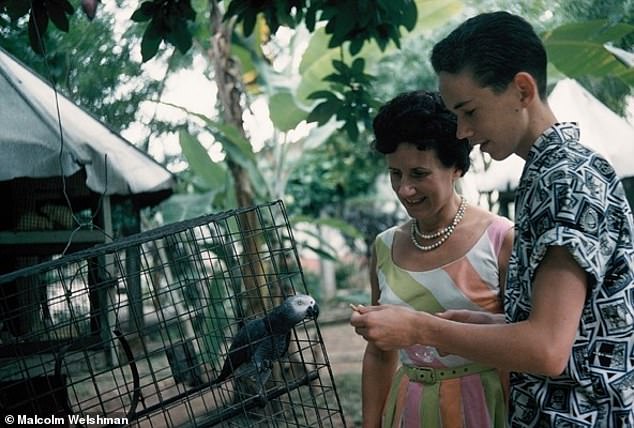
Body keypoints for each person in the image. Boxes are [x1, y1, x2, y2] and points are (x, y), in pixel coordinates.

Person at [350, 11, 634, 427]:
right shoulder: (547, 173)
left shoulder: (566, 181)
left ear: (522, 90)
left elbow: (547, 350)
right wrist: (491, 321)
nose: (462, 131)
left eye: (469, 111)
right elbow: (578, 328)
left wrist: (421, 329)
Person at [356, 89, 514, 427]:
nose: (404, 189)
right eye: (395, 173)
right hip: (409, 409)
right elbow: (380, 354)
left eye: (418, 174)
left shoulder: (499, 240)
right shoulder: (384, 248)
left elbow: (523, 343)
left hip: (485, 408)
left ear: (455, 166)